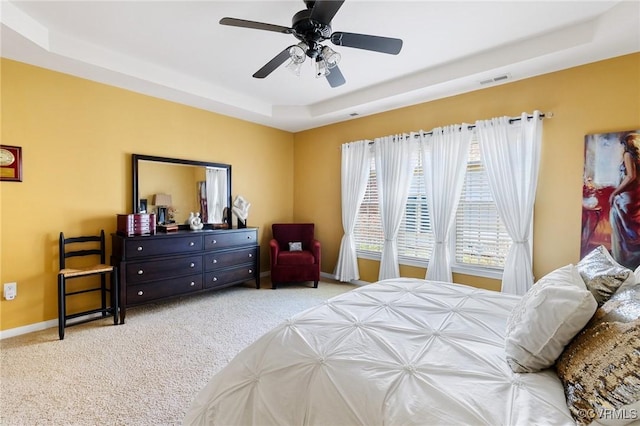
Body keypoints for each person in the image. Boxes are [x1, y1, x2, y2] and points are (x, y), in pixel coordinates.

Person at [609, 133, 640, 268]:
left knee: (618, 221)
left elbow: (630, 176)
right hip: (636, 194)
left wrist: (615, 193)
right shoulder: (638, 157)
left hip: (628, 196)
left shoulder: (628, 155)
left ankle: (622, 259)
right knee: (632, 228)